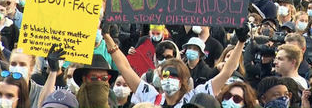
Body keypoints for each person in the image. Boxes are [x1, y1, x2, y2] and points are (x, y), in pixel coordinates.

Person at [105, 23, 249, 107]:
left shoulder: (193, 98)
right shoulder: (151, 96)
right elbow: (124, 67)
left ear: (184, 80)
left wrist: (241, 42)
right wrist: (107, 36)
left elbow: (226, 72)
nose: (170, 79)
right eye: (166, 75)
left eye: (175, 75)